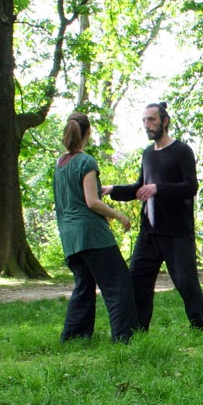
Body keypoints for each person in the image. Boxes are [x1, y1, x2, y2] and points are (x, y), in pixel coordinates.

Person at [104, 102, 203, 331]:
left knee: (186, 283)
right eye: (144, 120)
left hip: (177, 232)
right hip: (149, 233)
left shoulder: (182, 151)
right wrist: (112, 189)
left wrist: (158, 188)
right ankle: (138, 330)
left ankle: (201, 328)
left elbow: (191, 187)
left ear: (165, 121)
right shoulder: (147, 154)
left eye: (151, 119)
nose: (147, 125)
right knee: (137, 282)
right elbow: (139, 187)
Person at [54, 112, 140, 343]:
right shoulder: (86, 162)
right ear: (88, 132)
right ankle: (125, 337)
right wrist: (119, 216)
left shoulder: (60, 163)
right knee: (118, 285)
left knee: (84, 286)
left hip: (70, 236)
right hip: (92, 235)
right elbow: (92, 202)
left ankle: (74, 337)